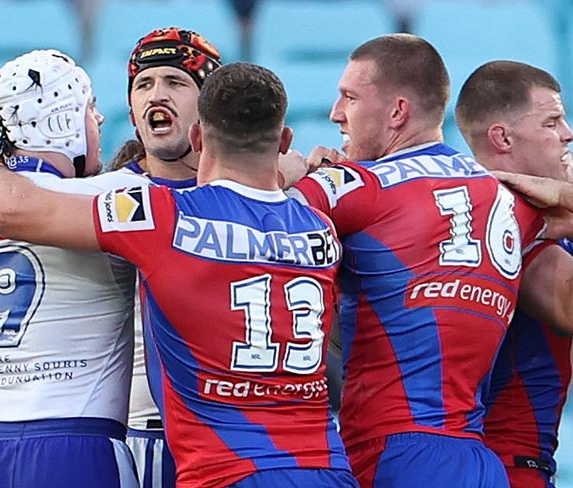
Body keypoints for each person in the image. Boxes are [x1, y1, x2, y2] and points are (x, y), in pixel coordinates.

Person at [0, 62, 357, 488]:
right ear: (284, 141)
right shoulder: (318, 226)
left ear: (197, 136)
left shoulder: (162, 218)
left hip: (223, 471)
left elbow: (11, 210)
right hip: (325, 468)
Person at [286, 33, 548, 487]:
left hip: (393, 453)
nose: (335, 113)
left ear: (397, 112)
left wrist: (287, 174)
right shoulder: (509, 197)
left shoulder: (357, 186)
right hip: (478, 459)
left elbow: (249, 219)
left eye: (349, 97)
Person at [0, 49, 144, 488]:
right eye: (90, 110)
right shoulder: (114, 194)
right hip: (79, 445)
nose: (100, 122)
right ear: (63, 122)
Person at [111, 26, 222, 487]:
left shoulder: (251, 194)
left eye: (176, 82)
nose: (157, 94)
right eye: (144, 83)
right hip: (141, 437)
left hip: (231, 436)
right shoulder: (102, 196)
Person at [455, 60, 573, 488]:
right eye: (553, 121)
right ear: (502, 137)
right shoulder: (504, 227)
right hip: (507, 468)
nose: (567, 133)